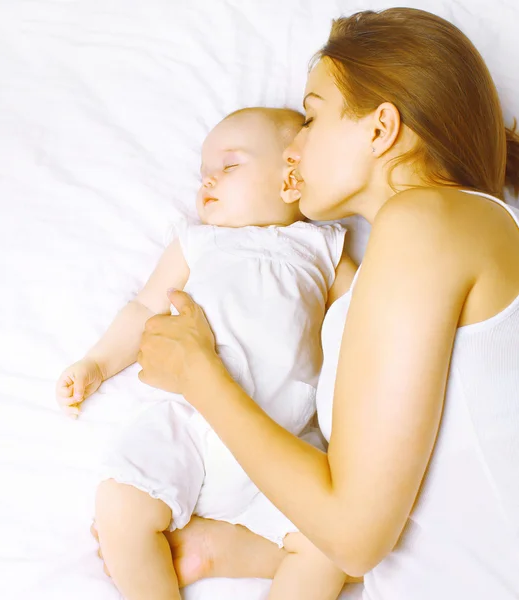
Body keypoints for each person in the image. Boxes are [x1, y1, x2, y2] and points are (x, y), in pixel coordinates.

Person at [103, 7, 519, 600]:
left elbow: (354, 534)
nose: (294, 147)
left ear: (380, 129)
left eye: (312, 116)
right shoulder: (393, 269)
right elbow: (385, 510)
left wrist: (200, 375)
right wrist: (229, 547)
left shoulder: (430, 220)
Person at [57, 107, 357, 599]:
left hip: (284, 441)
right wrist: (97, 363)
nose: (208, 181)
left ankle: (228, 553)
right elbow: (144, 309)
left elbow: (366, 317)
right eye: (203, 174)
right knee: (118, 505)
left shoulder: (322, 249)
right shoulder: (198, 242)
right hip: (190, 427)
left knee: (333, 548)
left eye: (230, 166)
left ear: (290, 177)